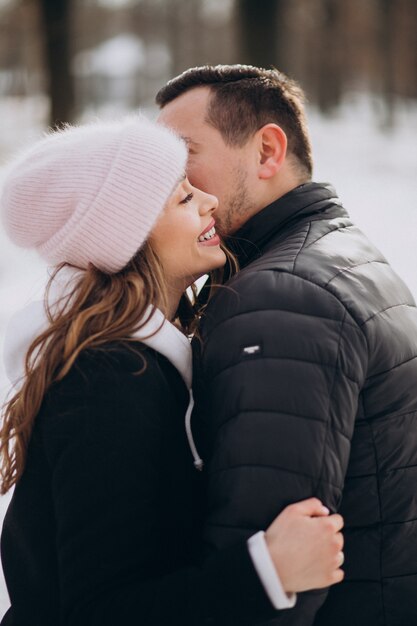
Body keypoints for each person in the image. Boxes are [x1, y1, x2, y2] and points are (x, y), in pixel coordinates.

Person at [0, 116, 344, 626]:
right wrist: (268, 571)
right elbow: (102, 610)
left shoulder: (146, 359)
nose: (207, 201)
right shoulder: (107, 381)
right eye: (183, 199)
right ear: (130, 240)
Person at [156, 64, 417, 626]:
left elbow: (273, 577)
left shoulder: (280, 298)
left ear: (267, 152)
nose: (165, 181)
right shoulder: (340, 255)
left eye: (180, 156)